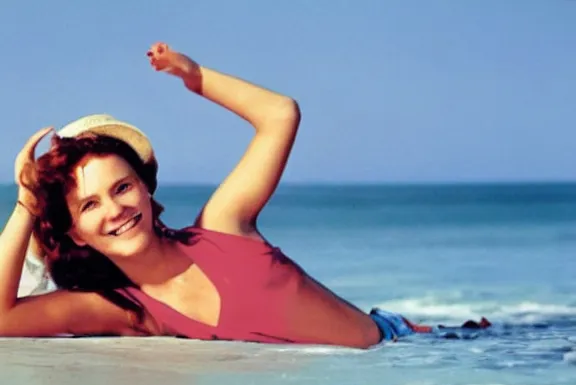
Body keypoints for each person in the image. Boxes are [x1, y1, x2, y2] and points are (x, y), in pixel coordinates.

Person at [3, 42, 488, 348]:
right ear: (76, 234)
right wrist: (27, 202)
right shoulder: (126, 310)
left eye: (123, 187)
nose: (116, 209)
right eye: (89, 205)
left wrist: (195, 78)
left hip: (409, 345)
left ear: (146, 191)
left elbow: (280, 113)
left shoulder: (222, 226)